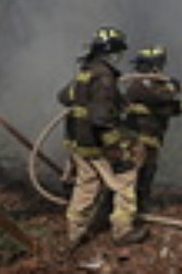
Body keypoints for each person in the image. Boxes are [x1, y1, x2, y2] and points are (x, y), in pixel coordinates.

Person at [57, 25, 148, 254]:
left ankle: (73, 235)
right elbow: (101, 119)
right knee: (126, 177)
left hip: (78, 141)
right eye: (117, 52)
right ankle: (122, 230)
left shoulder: (85, 72)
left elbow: (63, 96)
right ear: (111, 52)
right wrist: (117, 146)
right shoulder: (105, 76)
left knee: (86, 185)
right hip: (96, 142)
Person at [119, 45, 182, 210]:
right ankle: (123, 213)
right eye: (159, 65)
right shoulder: (139, 84)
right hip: (137, 138)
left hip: (152, 138)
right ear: (153, 65)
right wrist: (173, 87)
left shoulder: (154, 84)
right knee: (131, 175)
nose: (161, 69)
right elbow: (159, 97)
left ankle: (142, 203)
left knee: (148, 172)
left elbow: (167, 108)